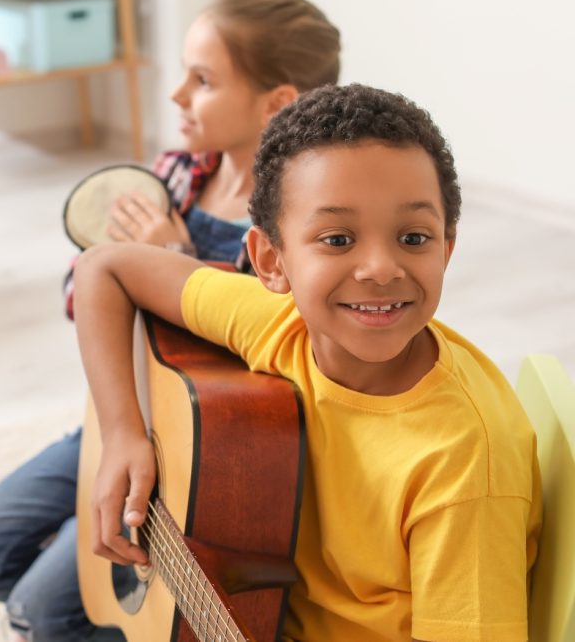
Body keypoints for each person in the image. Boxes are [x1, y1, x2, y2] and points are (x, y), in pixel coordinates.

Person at [0, 0, 340, 640]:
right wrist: (123, 266)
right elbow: (78, 295)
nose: (177, 95)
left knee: (38, 614)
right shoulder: (176, 173)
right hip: (117, 412)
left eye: (202, 80)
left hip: (203, 453)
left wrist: (172, 260)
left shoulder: (299, 224)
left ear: (279, 104)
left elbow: (272, 356)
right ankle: (97, 537)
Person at [75, 83, 542, 641]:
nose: (379, 267)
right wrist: (123, 435)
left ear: (446, 247)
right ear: (271, 261)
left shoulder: (465, 463)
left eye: (413, 237)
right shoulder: (283, 325)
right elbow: (103, 268)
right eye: (338, 238)